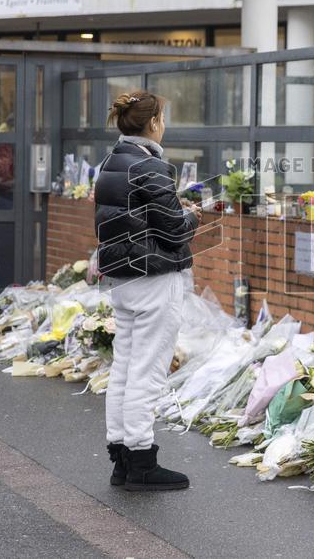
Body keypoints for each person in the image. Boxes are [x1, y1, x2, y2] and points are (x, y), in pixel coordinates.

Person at [94, 90, 201, 491]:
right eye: (163, 117)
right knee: (147, 371)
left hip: (123, 280)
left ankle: (121, 456)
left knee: (123, 368)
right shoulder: (151, 166)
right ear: (153, 121)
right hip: (155, 280)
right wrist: (192, 216)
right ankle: (141, 460)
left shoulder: (109, 162)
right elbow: (171, 229)